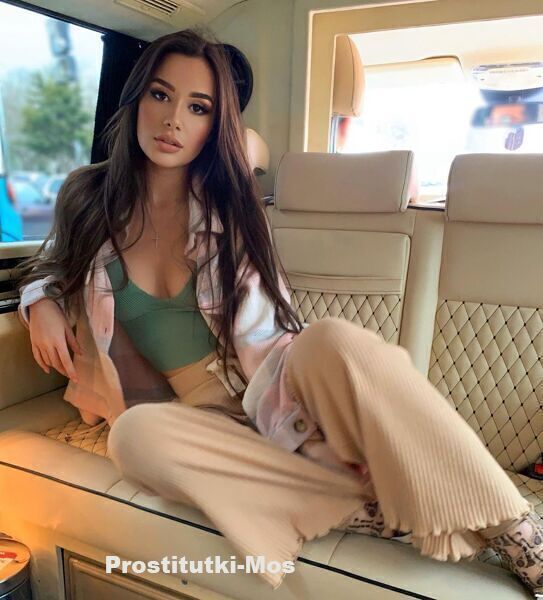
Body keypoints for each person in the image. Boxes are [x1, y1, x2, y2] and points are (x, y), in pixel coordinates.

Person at [16, 28, 543, 595]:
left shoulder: (231, 202)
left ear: (216, 125)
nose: (173, 121)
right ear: (136, 97)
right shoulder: (86, 195)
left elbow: (272, 319)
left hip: (274, 383)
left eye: (198, 108)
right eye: (160, 95)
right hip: (198, 418)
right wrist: (39, 301)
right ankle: (363, 508)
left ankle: (518, 530)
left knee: (332, 339)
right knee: (133, 438)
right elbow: (53, 262)